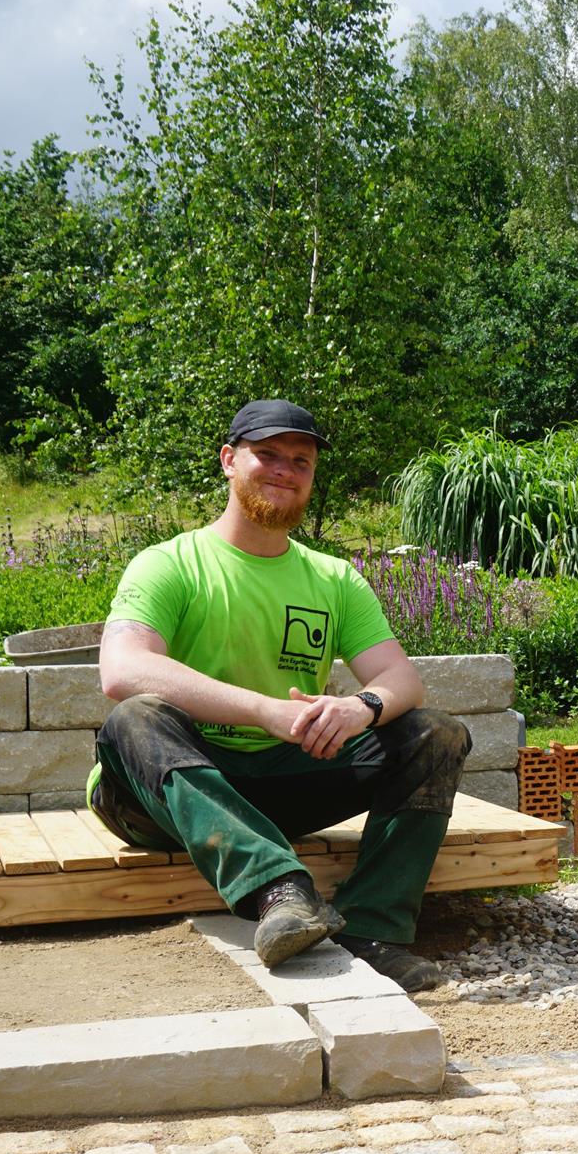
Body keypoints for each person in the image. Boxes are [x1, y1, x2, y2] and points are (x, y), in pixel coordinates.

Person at [87, 399, 469, 992]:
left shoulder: (334, 579)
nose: (284, 470)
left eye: (301, 460)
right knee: (134, 717)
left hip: (281, 782)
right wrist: (265, 711)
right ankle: (281, 892)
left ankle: (373, 932)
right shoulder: (170, 564)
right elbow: (122, 667)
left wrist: (358, 707)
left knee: (436, 733)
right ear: (228, 461)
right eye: (267, 454)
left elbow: (402, 680)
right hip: (163, 793)